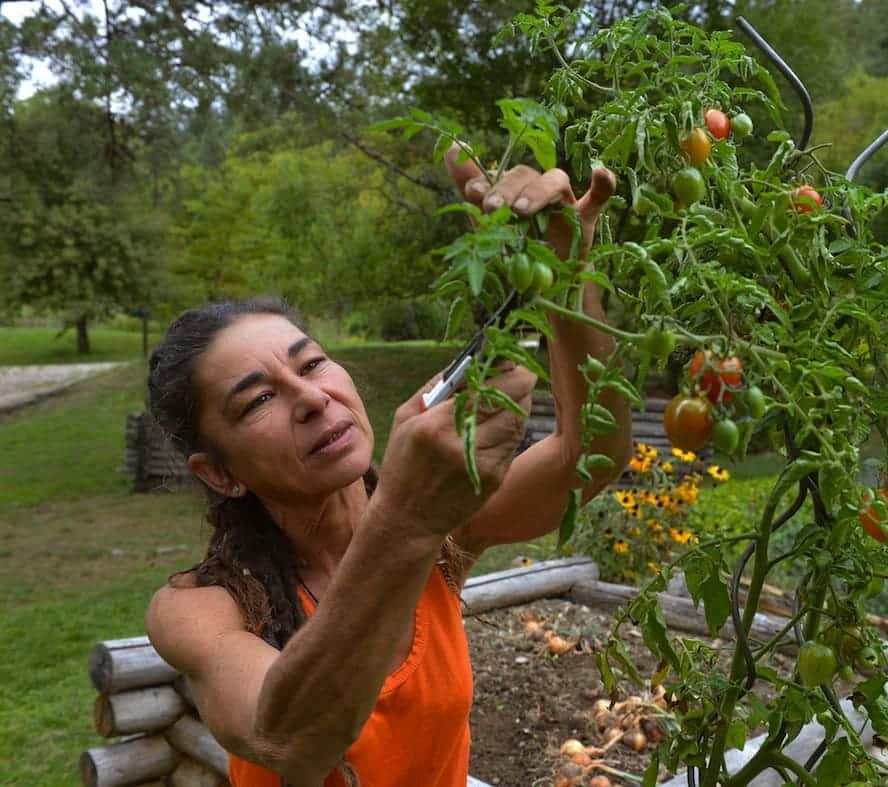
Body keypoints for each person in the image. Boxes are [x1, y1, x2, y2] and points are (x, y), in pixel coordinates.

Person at [144, 148, 630, 787]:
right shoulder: (200, 609)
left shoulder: (443, 532)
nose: (314, 398)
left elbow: (590, 453)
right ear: (219, 473)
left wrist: (568, 274)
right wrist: (404, 520)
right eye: (259, 399)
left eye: (312, 364)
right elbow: (291, 736)